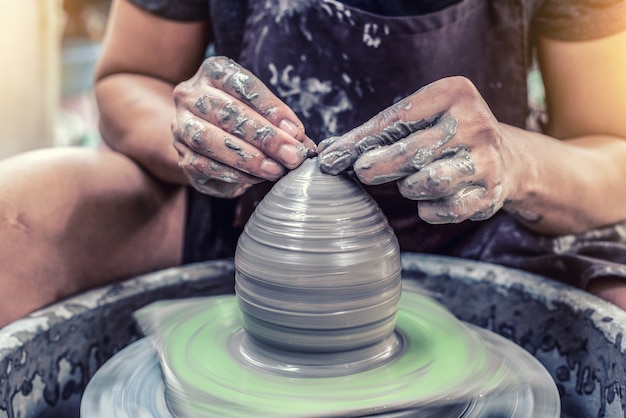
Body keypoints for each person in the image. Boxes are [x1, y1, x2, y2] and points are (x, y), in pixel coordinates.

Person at [0, 0, 625, 328]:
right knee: (14, 222)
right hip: (236, 210)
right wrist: (188, 130)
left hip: (478, 222)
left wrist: (518, 162)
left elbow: (611, 152)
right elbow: (126, 80)